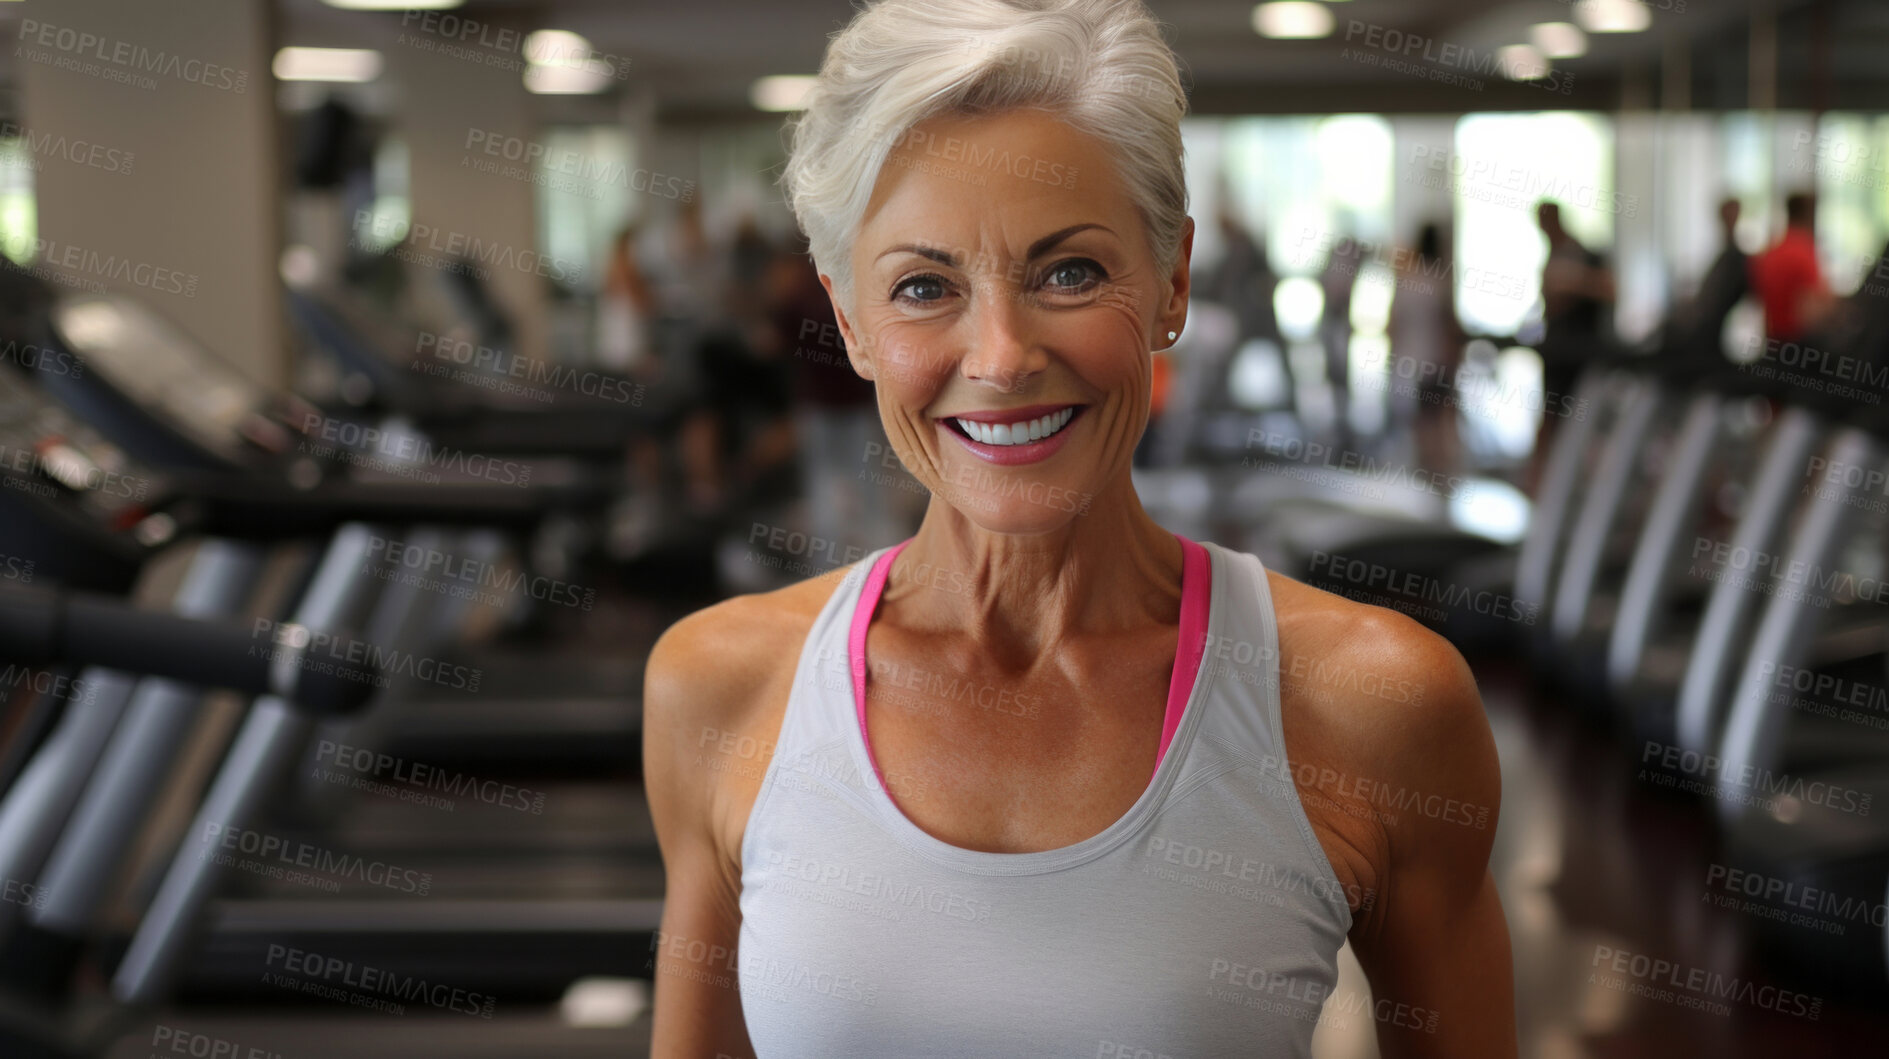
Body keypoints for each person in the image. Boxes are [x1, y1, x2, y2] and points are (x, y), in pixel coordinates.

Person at [643, 2, 1515, 1056]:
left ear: (1171, 282)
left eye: (1069, 273)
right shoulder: (718, 688)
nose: (1001, 356)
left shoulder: (1373, 706)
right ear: (848, 322)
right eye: (923, 287)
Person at [1389, 223, 1465, 477]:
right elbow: (1449, 326)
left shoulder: (1405, 281)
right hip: (1435, 359)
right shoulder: (1439, 281)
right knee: (1437, 419)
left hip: (1410, 361)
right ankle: (1438, 469)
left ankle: (1425, 469)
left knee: (1421, 422)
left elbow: (1393, 324)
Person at [1749, 191, 1831, 345]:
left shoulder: (1771, 252)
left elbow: (1757, 296)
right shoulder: (1804, 251)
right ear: (1808, 214)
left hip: (1772, 340)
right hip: (1799, 344)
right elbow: (1814, 306)